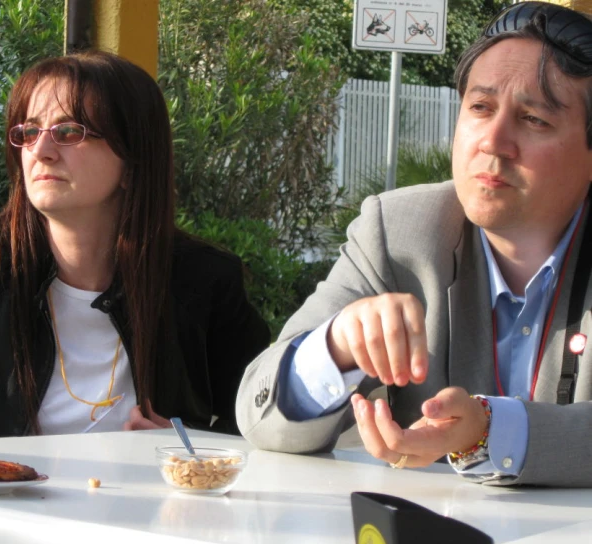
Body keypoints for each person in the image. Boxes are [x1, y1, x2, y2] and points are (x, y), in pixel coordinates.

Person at [236, 1, 592, 487]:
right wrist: (337, 346)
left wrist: (492, 432)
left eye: (534, 119)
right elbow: (259, 415)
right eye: (479, 108)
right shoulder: (401, 232)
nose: (493, 141)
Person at [0, 50, 270, 444]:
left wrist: (185, 447)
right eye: (29, 131)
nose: (41, 150)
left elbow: (269, 419)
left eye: (70, 131)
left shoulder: (202, 281)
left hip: (144, 517)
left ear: (133, 161)